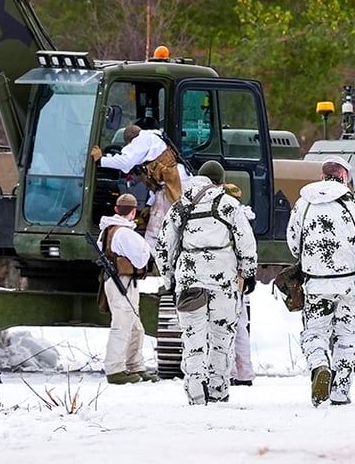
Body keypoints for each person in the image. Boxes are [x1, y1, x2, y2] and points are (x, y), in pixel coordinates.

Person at [287, 160, 355, 407]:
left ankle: (320, 366)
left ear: (322, 177)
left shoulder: (303, 205)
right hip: (348, 285)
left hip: (315, 284)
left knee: (314, 332)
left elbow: (293, 244)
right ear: (344, 177)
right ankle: (340, 391)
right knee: (347, 337)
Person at [157, 160, 257, 405]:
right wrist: (249, 272)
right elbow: (246, 240)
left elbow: (163, 247)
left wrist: (170, 279)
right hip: (223, 279)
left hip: (190, 278)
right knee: (222, 337)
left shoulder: (181, 206)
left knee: (193, 337)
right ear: (220, 182)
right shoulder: (229, 205)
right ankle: (218, 391)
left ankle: (195, 393)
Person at [91, 124, 189, 250]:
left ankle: (151, 261)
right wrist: (149, 205)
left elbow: (125, 161)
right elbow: (157, 184)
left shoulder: (141, 141)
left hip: (172, 187)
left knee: (155, 231)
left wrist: (100, 160)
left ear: (129, 142)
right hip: (174, 185)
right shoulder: (153, 137)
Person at [97, 193, 155, 384]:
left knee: (135, 326)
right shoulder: (125, 233)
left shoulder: (106, 230)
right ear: (133, 212)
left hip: (116, 281)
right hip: (123, 281)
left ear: (115, 209)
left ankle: (135, 365)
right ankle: (115, 369)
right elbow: (140, 259)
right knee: (122, 325)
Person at [224, 183, 256, 386]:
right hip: (241, 277)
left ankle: (232, 372)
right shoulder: (245, 217)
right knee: (241, 325)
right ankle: (244, 372)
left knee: (224, 326)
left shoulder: (226, 217)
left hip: (226, 277)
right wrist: (249, 274)